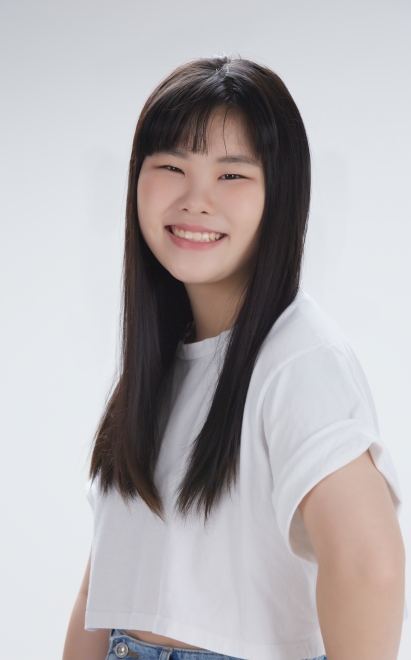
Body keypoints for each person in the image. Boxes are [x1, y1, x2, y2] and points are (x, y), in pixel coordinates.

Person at [62, 54, 407, 660]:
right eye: (172, 167)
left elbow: (368, 564)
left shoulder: (297, 358)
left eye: (232, 175)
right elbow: (107, 587)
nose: (196, 200)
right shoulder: (161, 362)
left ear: (282, 195)